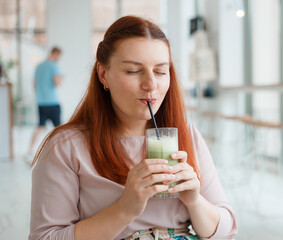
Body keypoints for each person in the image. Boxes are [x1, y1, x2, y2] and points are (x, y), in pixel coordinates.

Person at [29, 16, 237, 240]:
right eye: (133, 71)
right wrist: (125, 209)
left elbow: (227, 230)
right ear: (103, 74)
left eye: (160, 71)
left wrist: (194, 200)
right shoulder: (66, 147)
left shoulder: (186, 134)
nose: (151, 85)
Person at [28, 46, 63, 156]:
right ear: (56, 54)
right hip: (52, 102)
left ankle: (29, 150)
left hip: (41, 102)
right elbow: (57, 83)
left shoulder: (38, 66)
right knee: (59, 128)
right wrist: (61, 79)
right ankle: (63, 151)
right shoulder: (53, 66)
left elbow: (34, 85)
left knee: (40, 126)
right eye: (59, 56)